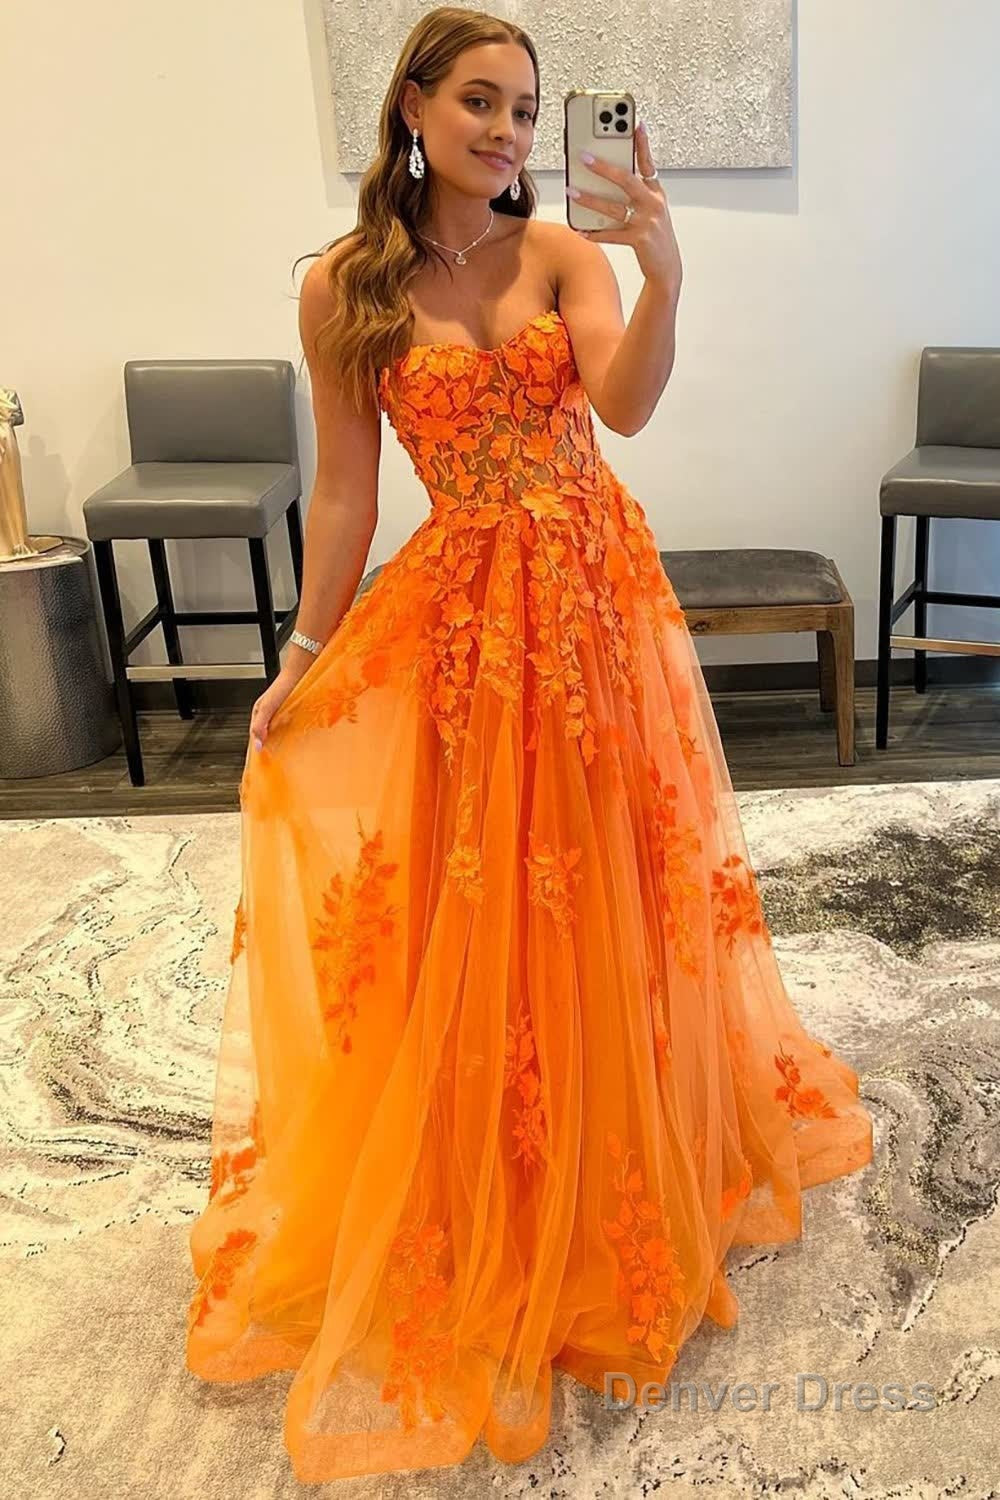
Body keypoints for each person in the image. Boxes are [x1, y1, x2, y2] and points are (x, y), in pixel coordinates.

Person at [184, 6, 874, 1483]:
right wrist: (301, 656)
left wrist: (663, 271)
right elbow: (349, 498)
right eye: (480, 102)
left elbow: (622, 405)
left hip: (594, 597)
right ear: (413, 105)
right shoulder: (343, 287)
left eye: (524, 108)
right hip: (464, 614)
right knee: (477, 887)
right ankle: (494, 1150)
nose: (505, 132)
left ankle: (617, 1127)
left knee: (607, 869)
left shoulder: (563, 253)